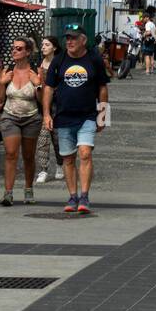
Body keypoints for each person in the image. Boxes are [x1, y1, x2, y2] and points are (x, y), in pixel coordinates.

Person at [42, 23, 108, 215]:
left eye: (73, 38)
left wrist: (103, 115)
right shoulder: (59, 60)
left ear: (83, 40)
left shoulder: (94, 59)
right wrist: (47, 114)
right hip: (63, 116)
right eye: (67, 38)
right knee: (68, 158)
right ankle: (73, 196)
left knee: (85, 153)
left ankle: (85, 196)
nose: (69, 41)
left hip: (87, 115)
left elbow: (103, 87)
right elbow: (48, 88)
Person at [0, 36, 43, 205]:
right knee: (10, 154)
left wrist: (38, 84)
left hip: (31, 117)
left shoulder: (35, 72)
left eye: (19, 48)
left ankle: (28, 188)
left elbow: (40, 99)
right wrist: (2, 83)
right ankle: (8, 193)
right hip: (10, 116)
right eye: (13, 48)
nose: (14, 51)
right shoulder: (8, 71)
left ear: (28, 52)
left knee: (28, 156)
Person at [35, 36, 65, 184]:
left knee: (57, 140)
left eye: (47, 45)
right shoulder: (38, 65)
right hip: (41, 106)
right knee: (42, 139)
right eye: (42, 45)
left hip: (58, 106)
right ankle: (43, 170)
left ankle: (60, 164)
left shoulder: (60, 63)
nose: (43, 47)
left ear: (54, 47)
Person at [142, 9, 156, 75]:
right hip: (153, 41)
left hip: (148, 41)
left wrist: (144, 34)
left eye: (144, 18)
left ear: (147, 18)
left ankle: (147, 70)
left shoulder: (147, 24)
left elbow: (148, 32)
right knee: (152, 56)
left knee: (147, 56)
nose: (143, 19)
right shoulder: (153, 24)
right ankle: (152, 70)